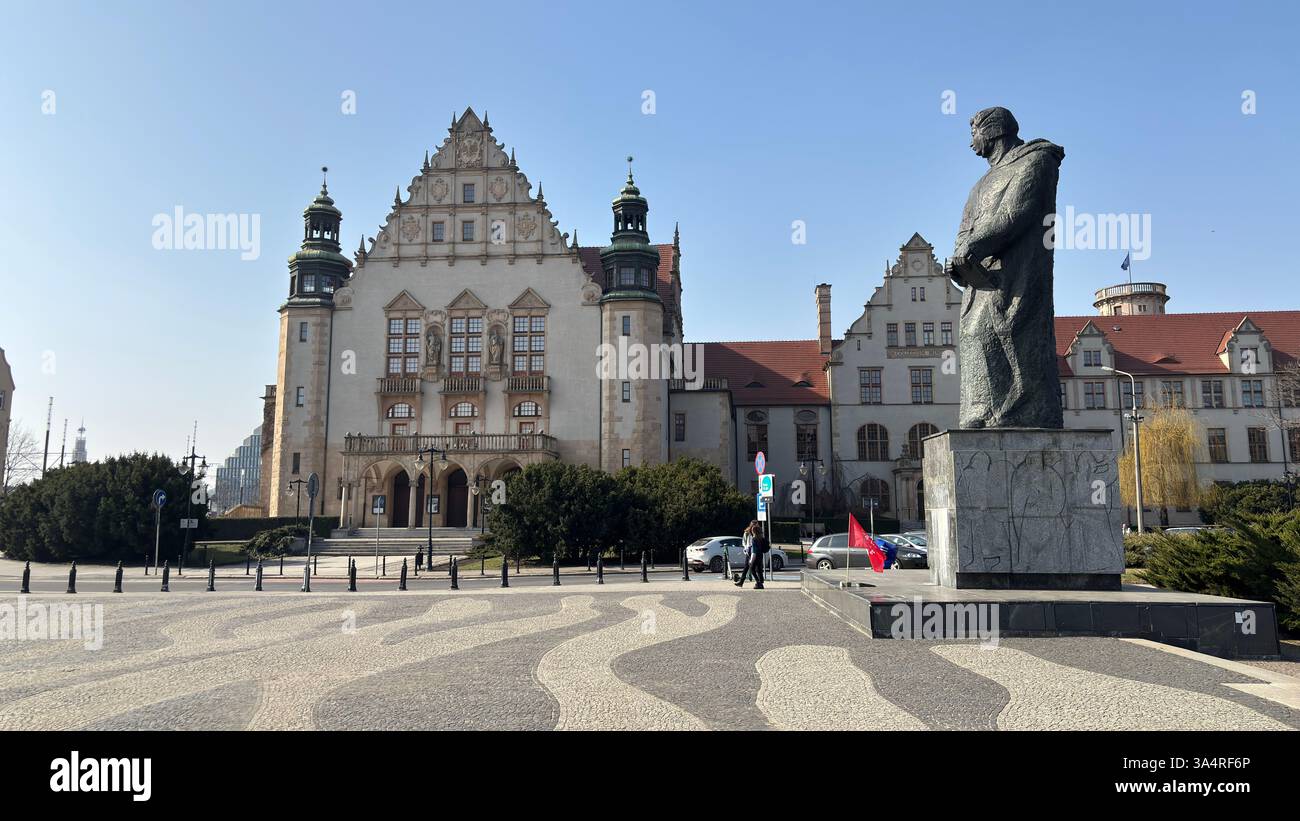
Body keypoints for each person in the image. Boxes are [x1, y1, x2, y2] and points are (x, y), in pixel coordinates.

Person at [736, 521, 768, 589]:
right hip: (749, 552)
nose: (756, 526)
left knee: (756, 568)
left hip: (754, 552)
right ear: (751, 526)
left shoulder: (758, 534)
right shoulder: (747, 533)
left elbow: (757, 547)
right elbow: (744, 542)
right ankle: (742, 582)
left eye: (757, 525)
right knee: (747, 567)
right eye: (754, 525)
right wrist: (745, 548)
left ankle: (759, 582)